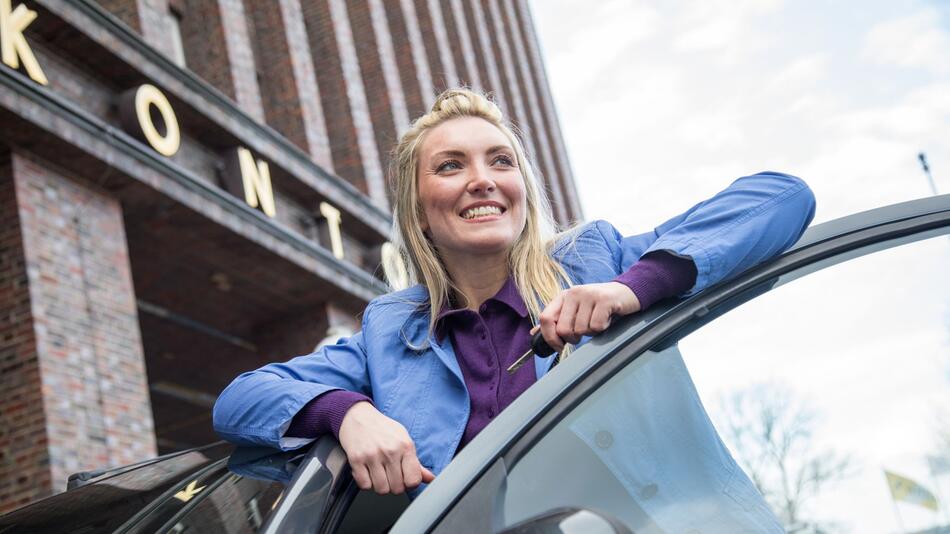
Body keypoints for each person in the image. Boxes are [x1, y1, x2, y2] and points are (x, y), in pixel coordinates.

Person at [213, 89, 816, 508]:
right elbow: (240, 399)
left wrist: (629, 291)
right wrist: (349, 412)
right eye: (450, 166)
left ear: (520, 190)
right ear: (419, 214)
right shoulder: (391, 333)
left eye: (500, 162)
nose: (482, 178)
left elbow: (781, 197)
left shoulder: (596, 260)